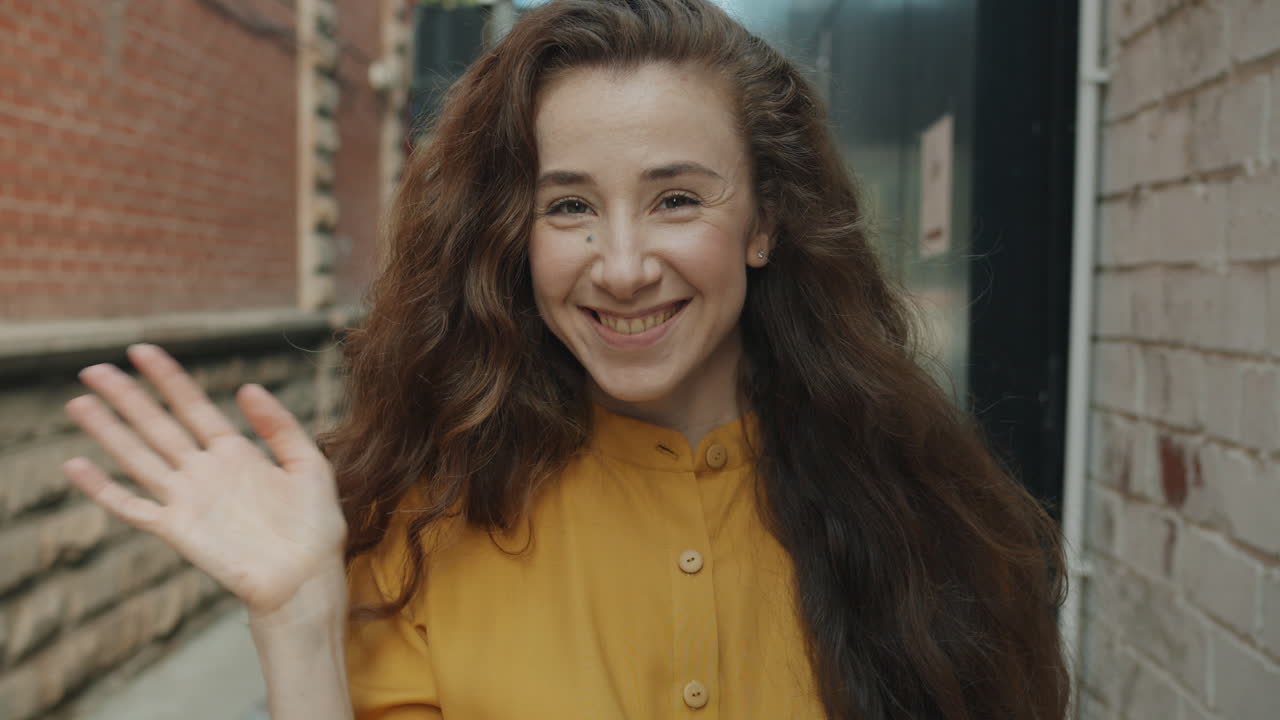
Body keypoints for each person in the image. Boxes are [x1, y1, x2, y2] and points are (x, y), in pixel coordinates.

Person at [61, 0, 1070, 717]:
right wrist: (297, 620)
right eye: (570, 205)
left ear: (765, 222)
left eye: (677, 199)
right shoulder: (421, 532)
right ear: (516, 235)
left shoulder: (925, 519)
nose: (621, 267)